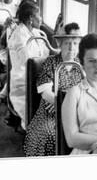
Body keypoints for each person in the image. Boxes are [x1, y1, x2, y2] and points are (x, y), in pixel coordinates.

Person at [23, 23, 85, 156]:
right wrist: (63, 104)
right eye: (67, 43)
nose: (71, 48)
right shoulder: (50, 62)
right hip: (51, 111)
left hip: (73, 112)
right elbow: (46, 93)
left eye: (75, 43)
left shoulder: (80, 65)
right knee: (51, 135)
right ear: (60, 44)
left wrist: (69, 106)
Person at [4, 1, 49, 131]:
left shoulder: (36, 33)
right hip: (23, 81)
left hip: (36, 75)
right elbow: (28, 63)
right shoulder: (19, 37)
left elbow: (46, 53)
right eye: (38, 15)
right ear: (30, 18)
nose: (40, 18)